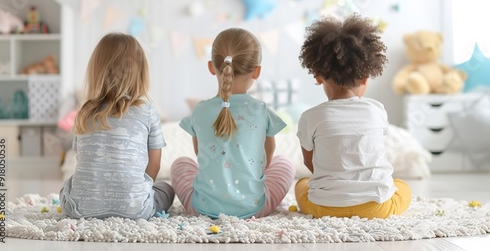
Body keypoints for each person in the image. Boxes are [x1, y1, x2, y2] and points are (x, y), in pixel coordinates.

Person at [170, 28, 295, 219]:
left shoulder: (200, 110)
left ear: (212, 67)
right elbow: (268, 160)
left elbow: (199, 154)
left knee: (180, 164)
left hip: (202, 208)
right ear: (256, 71)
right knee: (285, 163)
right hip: (254, 208)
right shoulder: (261, 110)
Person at [295, 14, 411, 219]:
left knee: (301, 185)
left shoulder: (310, 117)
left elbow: (310, 163)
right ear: (366, 76)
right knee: (401, 187)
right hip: (376, 208)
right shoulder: (377, 110)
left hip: (323, 208)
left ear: (318, 76)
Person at [59, 33, 174, 220]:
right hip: (136, 210)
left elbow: (82, 158)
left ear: (96, 71)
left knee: (68, 188)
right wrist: (137, 191)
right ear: (141, 72)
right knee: (166, 189)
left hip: (79, 209)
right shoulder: (148, 109)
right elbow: (154, 164)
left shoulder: (84, 111)